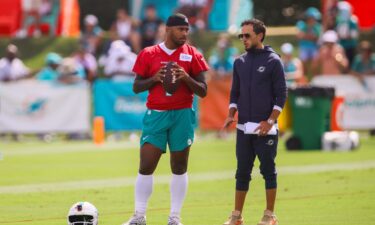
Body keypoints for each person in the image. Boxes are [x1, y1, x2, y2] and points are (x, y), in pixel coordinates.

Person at [122, 13, 209, 225]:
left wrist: (186, 78)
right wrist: (154, 79)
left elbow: (203, 90)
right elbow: (136, 86)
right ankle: (139, 216)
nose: (185, 34)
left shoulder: (192, 54)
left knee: (179, 167)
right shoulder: (148, 53)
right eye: (181, 29)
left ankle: (174, 218)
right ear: (168, 30)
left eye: (187, 30)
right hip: (157, 114)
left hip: (182, 114)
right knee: (146, 165)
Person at [222, 19, 287, 225]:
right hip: (243, 129)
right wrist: (231, 114)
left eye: (247, 35)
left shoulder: (273, 61)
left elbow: (281, 95)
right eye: (241, 36)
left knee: (268, 170)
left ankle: (269, 215)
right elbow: (235, 93)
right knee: (242, 172)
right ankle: (237, 216)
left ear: (260, 36)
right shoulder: (239, 61)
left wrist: (269, 121)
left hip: (265, 129)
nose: (243, 39)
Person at [296, 7, 322, 77]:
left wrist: (306, 36)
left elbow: (317, 38)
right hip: (304, 47)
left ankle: (315, 78)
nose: (314, 20)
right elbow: (299, 37)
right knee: (303, 64)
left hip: (314, 47)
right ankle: (305, 79)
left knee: (315, 63)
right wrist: (309, 35)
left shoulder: (318, 26)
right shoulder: (301, 24)